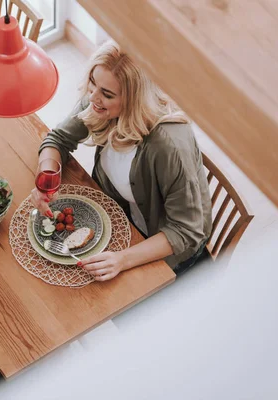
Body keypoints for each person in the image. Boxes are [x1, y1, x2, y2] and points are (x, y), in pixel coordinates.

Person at [32, 41, 212, 280]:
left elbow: (187, 230)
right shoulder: (101, 102)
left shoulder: (168, 145)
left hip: (165, 252)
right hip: (122, 220)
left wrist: (122, 259)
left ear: (134, 99)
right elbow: (58, 139)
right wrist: (47, 179)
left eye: (107, 94)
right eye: (93, 83)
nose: (93, 97)